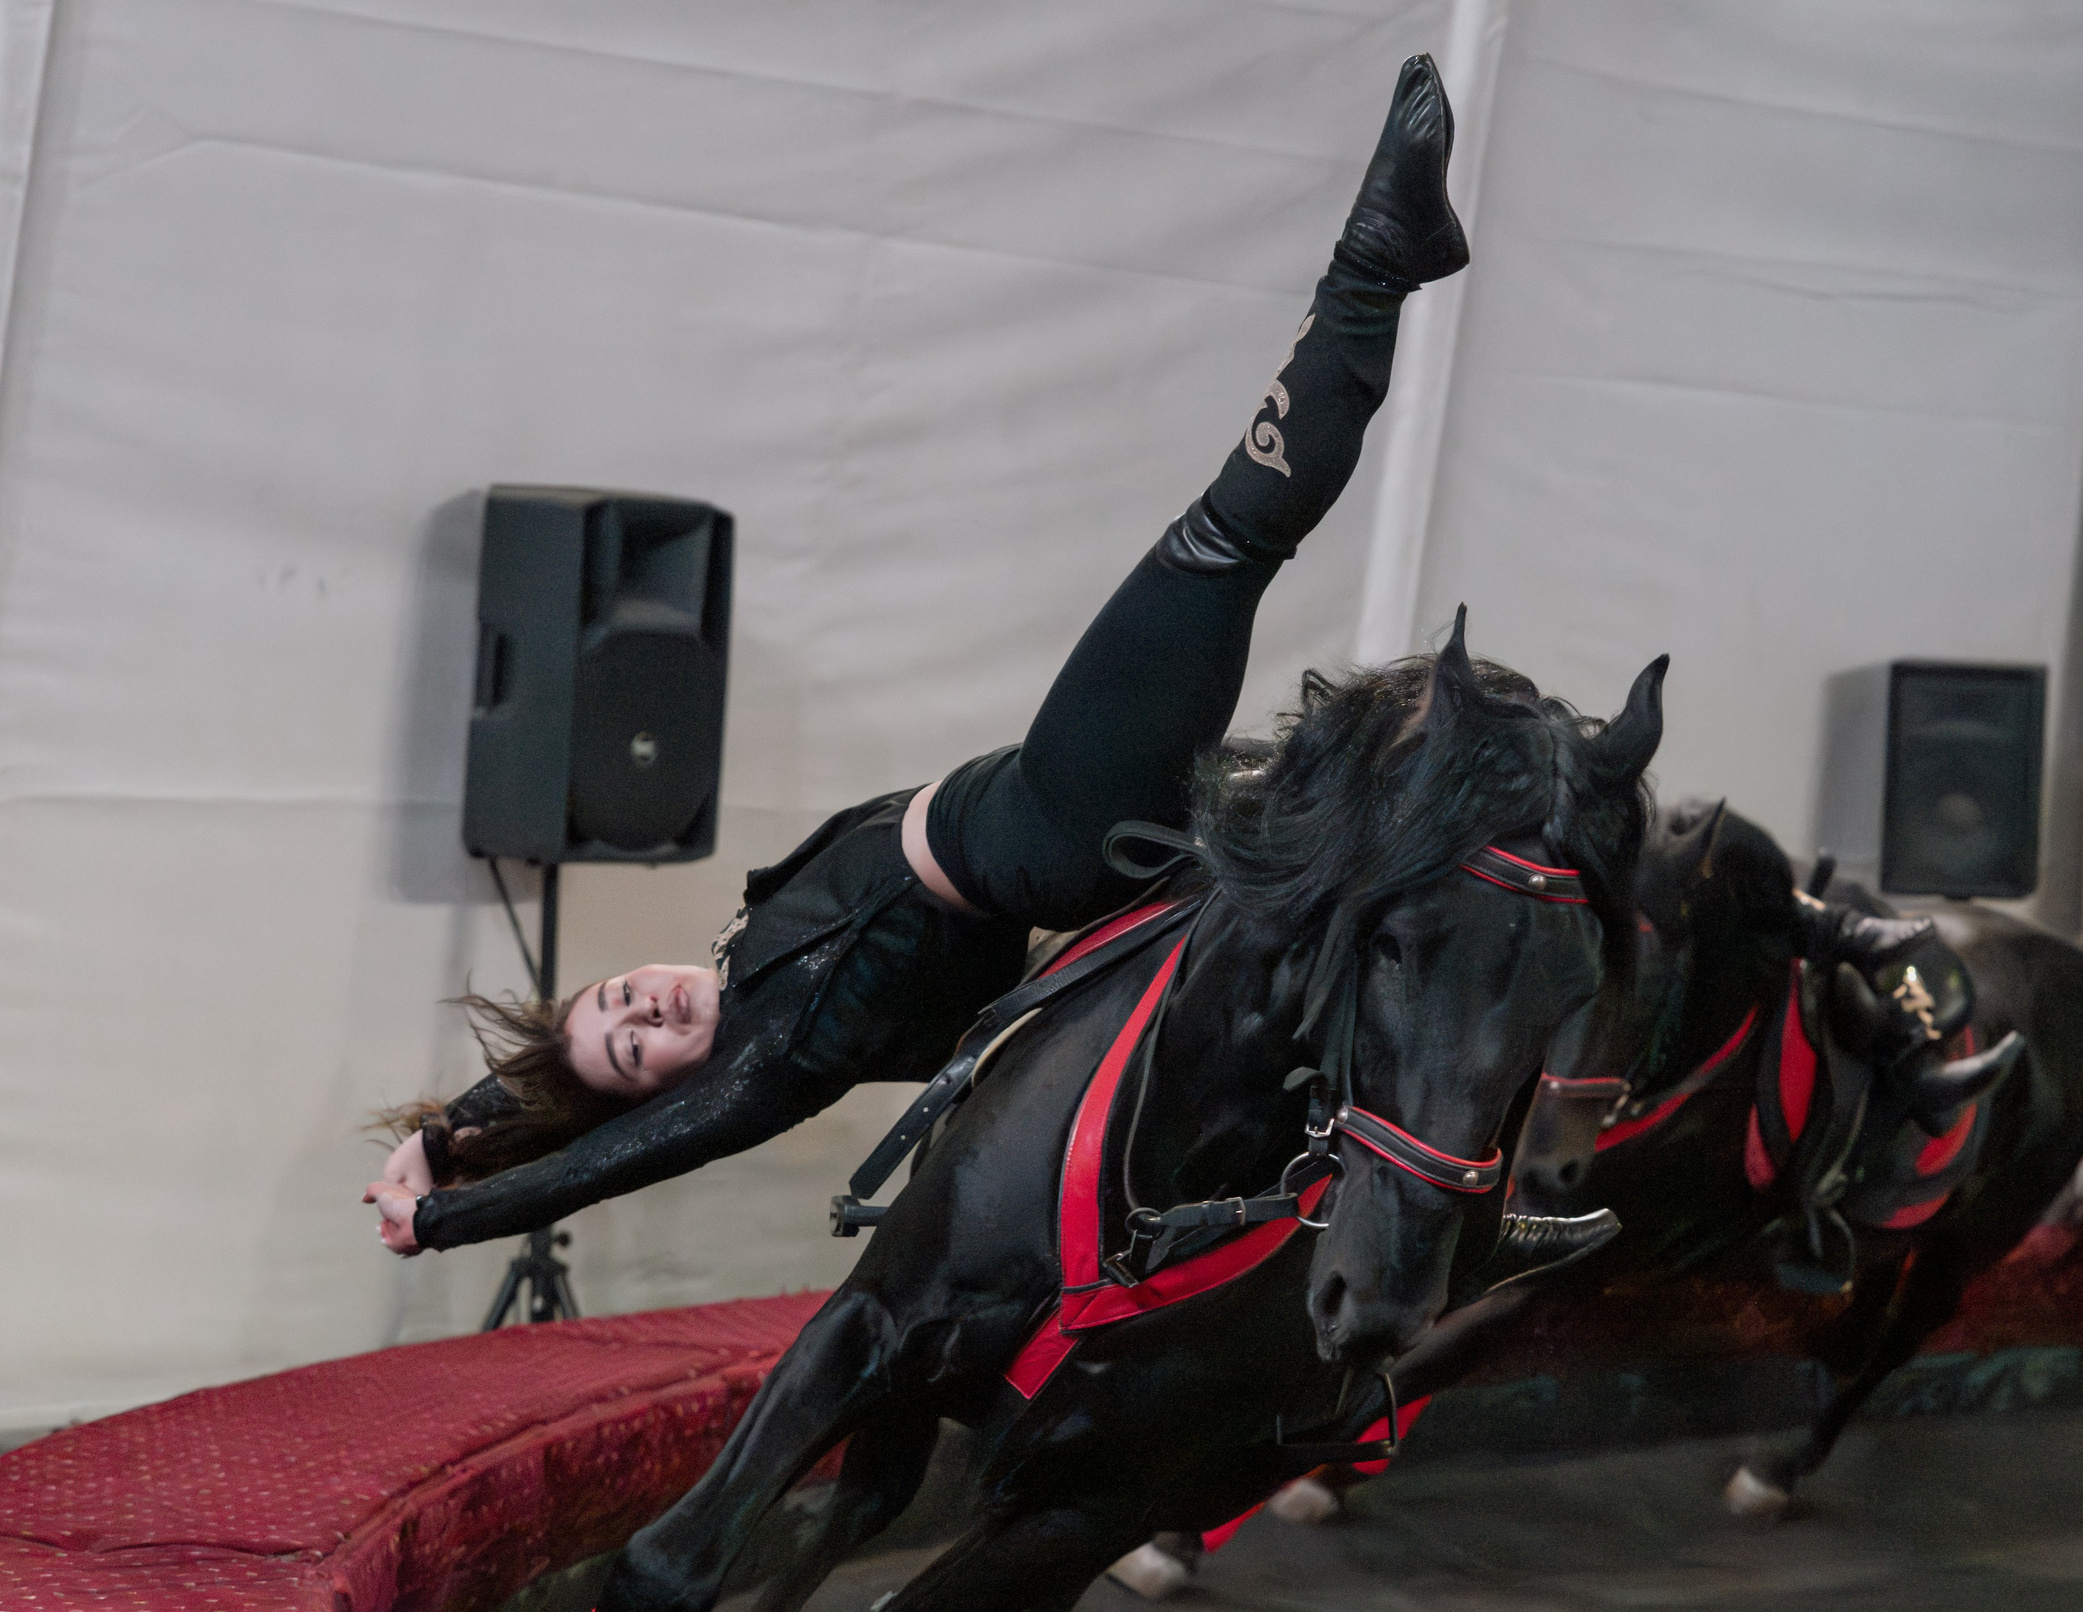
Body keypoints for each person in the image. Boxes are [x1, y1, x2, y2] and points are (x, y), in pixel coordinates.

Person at [365, 55, 1474, 1257]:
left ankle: (1385, 269)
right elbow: (602, 1164)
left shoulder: (738, 972)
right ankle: (1374, 263)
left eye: (616, 994)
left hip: (1047, 803)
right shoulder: (766, 1057)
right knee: (1224, 539)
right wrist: (444, 1215)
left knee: (1235, 566)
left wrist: (448, 1132)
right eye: (637, 1045)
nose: (645, 1004)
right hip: (1061, 826)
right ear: (664, 1087)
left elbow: (561, 1088)